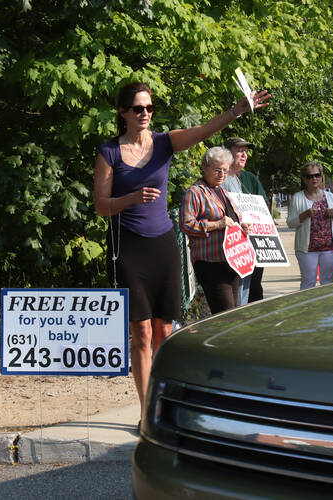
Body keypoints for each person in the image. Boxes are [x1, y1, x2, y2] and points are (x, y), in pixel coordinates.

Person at [93, 81, 270, 419]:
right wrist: (131, 198)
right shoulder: (110, 153)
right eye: (137, 109)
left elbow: (204, 131)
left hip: (162, 245)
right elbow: (101, 206)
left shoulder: (164, 143)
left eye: (149, 108)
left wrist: (237, 110)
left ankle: (163, 401)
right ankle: (146, 412)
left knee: (164, 329)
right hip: (128, 246)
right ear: (123, 112)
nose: (145, 114)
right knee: (141, 332)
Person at [181, 147, 248, 314]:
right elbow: (186, 225)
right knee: (225, 313)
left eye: (225, 170)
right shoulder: (194, 193)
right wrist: (216, 224)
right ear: (204, 166)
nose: (222, 175)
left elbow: (234, 220)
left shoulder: (224, 192)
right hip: (210, 262)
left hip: (231, 261)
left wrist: (243, 226)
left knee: (231, 312)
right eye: (217, 170)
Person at [222, 136, 268, 304]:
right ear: (227, 153)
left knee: (248, 290)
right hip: (231, 247)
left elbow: (263, 209)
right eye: (239, 150)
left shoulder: (242, 178)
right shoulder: (223, 179)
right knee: (236, 296)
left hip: (247, 245)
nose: (244, 155)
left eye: (246, 152)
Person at [287, 162, 333, 290]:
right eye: (309, 176)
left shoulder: (330, 197)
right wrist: (304, 215)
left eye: (317, 175)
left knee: (328, 282)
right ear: (304, 179)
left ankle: (328, 309)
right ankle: (307, 309)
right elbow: (290, 223)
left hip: (328, 248)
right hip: (307, 249)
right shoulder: (298, 198)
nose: (314, 179)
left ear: (321, 176)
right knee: (308, 283)